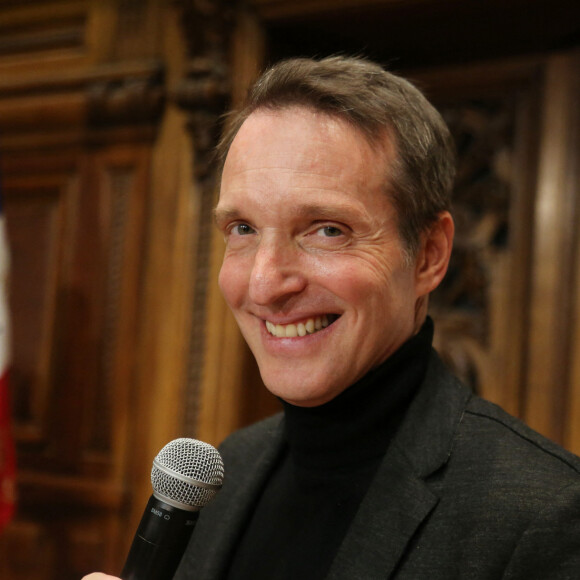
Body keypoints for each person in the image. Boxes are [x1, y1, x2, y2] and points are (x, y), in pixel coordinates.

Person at [85, 56, 580, 579]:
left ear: (430, 255)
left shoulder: (544, 515)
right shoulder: (227, 472)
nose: (264, 285)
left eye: (327, 230)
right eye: (243, 229)